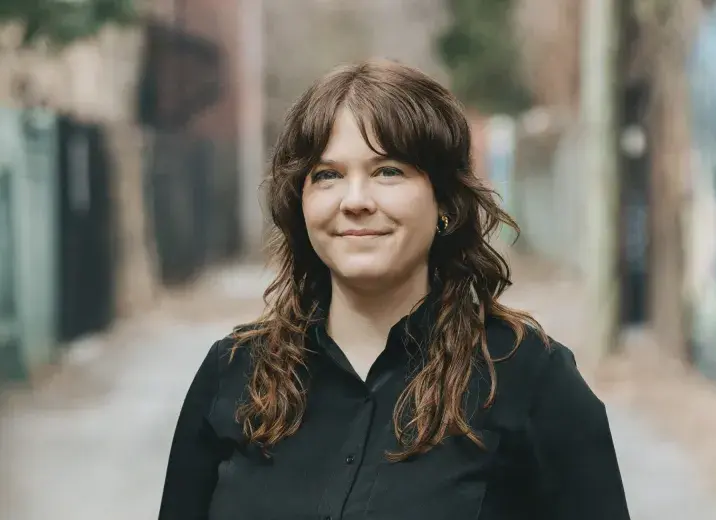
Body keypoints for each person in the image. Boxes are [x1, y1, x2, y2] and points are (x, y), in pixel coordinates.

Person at [158, 59, 631, 520]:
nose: (356, 201)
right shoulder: (235, 374)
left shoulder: (528, 377)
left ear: (444, 200)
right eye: (328, 175)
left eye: (388, 171)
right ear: (300, 204)